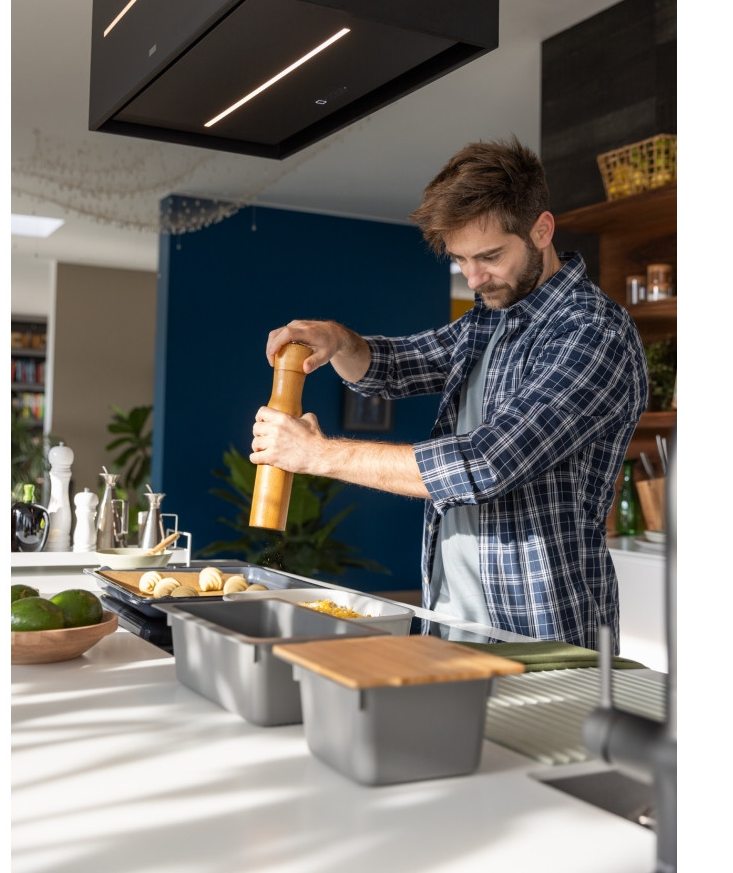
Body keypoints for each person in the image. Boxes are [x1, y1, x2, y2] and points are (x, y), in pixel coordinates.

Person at [250, 136, 648, 651]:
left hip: (542, 637)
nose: (474, 278)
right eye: (461, 260)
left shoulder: (593, 332)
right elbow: (393, 366)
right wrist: (338, 340)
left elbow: (487, 463)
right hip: (450, 625)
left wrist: (317, 455)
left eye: (489, 256)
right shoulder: (489, 320)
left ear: (542, 230)